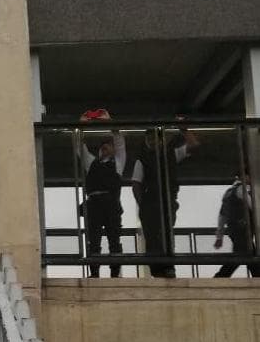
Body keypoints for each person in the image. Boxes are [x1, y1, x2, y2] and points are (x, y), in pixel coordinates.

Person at [131, 122, 200, 278]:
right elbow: (136, 184)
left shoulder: (171, 154)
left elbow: (194, 145)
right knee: (153, 236)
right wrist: (143, 205)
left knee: (165, 234)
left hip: (167, 200)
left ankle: (168, 267)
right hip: (152, 202)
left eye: (154, 138)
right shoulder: (142, 159)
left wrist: (184, 129)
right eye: (149, 139)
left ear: (162, 140)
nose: (151, 142)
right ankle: (157, 270)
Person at [77, 109, 126, 278]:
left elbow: (120, 142)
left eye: (108, 144)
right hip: (94, 204)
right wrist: (80, 125)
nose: (104, 146)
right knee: (93, 240)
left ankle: (115, 272)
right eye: (102, 145)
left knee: (114, 239)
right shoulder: (92, 163)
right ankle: (95, 272)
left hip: (111, 203)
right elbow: (79, 147)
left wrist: (110, 123)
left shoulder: (118, 162)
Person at [213, 174, 259, 277]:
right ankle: (219, 277)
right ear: (244, 177)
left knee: (243, 254)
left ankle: (220, 277)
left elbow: (222, 216)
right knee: (245, 255)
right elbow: (253, 206)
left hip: (234, 229)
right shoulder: (242, 190)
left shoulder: (228, 193)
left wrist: (219, 236)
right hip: (243, 229)